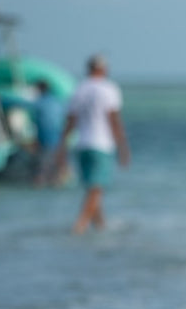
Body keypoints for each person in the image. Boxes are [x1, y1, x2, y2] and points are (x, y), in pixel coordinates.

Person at [57, 55, 130, 233]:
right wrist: (123, 146)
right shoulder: (108, 89)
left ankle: (100, 225)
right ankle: (80, 225)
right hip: (102, 144)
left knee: (92, 188)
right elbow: (114, 119)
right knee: (96, 189)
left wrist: (62, 146)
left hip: (81, 144)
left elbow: (70, 121)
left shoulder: (79, 89)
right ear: (103, 69)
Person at [31, 79, 67, 186]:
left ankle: (41, 183)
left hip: (46, 137)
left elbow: (25, 104)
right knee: (56, 168)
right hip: (58, 137)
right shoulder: (57, 101)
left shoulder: (40, 102)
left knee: (42, 168)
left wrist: (0, 100)